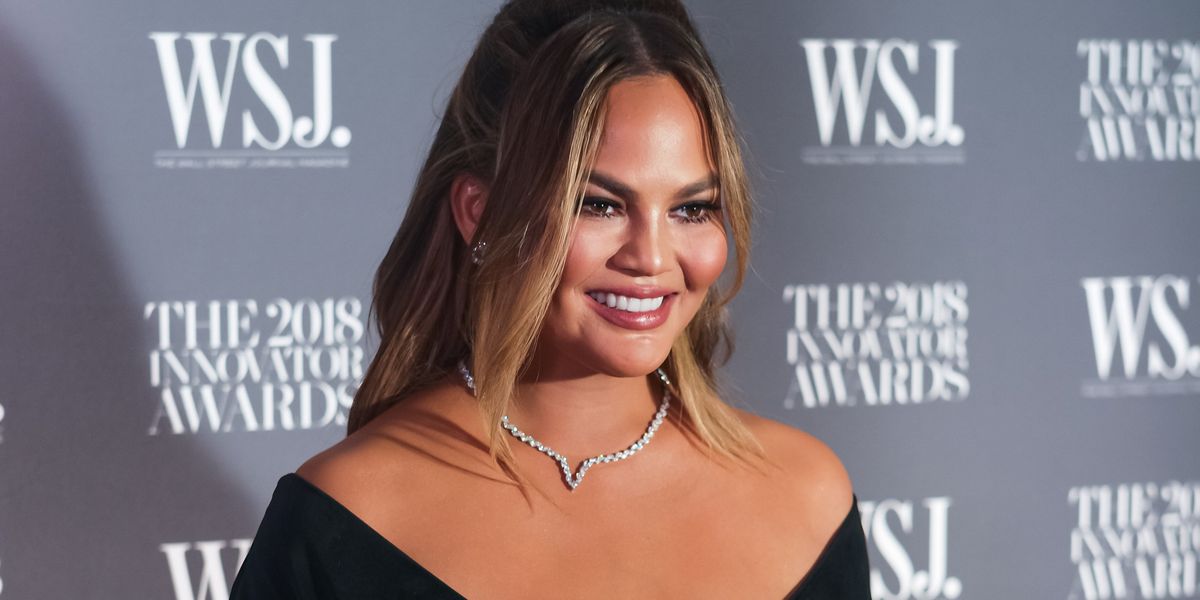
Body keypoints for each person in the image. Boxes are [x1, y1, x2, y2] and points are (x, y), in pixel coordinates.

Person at [229, 0, 870, 597]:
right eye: (599, 204)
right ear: (479, 212)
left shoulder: (809, 498)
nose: (651, 258)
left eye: (692, 209)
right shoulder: (345, 515)